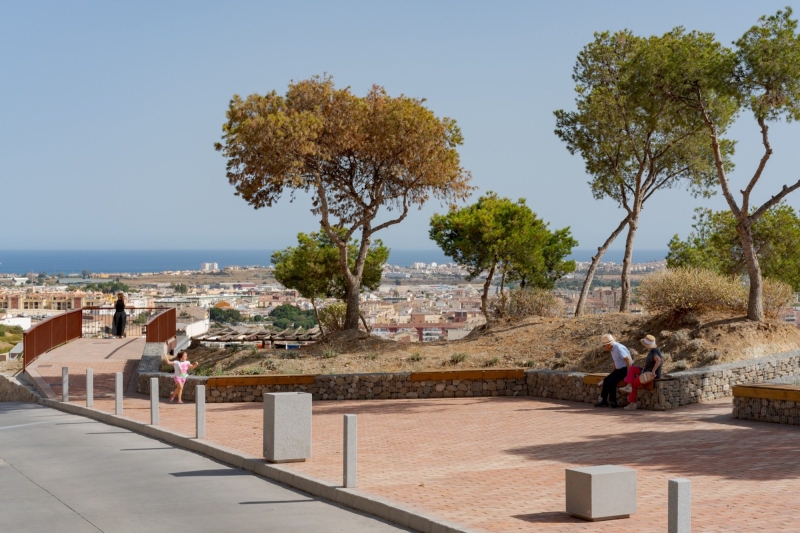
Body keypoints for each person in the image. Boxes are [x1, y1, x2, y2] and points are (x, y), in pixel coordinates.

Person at [621, 335, 663, 411]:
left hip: (649, 375)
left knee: (634, 383)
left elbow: (659, 360)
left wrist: (653, 371)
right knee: (633, 368)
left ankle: (632, 403)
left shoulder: (654, 351)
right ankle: (628, 385)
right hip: (645, 372)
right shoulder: (653, 350)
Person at [595, 333, 633, 408]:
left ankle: (613, 401)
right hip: (619, 369)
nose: (604, 347)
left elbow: (628, 361)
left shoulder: (618, 348)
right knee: (606, 380)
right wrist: (612, 374)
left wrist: (629, 375)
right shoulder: (612, 349)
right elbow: (616, 362)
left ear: (609, 344)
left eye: (604, 345)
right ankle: (604, 400)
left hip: (625, 369)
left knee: (611, 382)